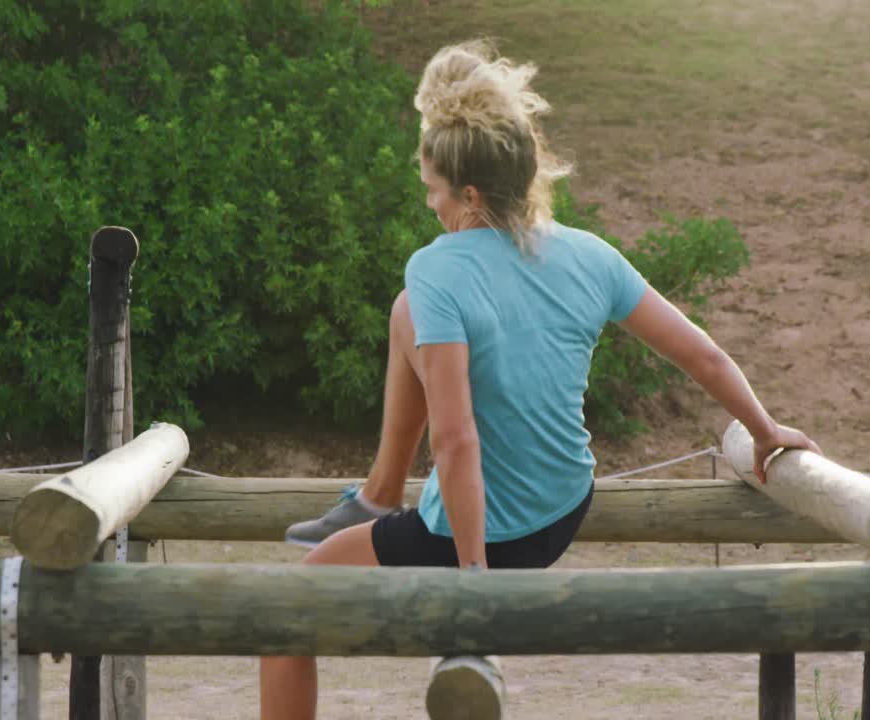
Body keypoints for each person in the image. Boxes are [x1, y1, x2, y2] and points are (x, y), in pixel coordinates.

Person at [260, 40, 820, 720]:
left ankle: (387, 514)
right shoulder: (589, 254)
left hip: (484, 539)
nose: (430, 206)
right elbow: (702, 355)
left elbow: (458, 442)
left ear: (468, 194)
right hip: (564, 507)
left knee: (284, 619)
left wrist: (474, 587)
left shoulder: (439, 268)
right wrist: (764, 430)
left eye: (433, 192)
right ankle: (378, 497)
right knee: (407, 316)